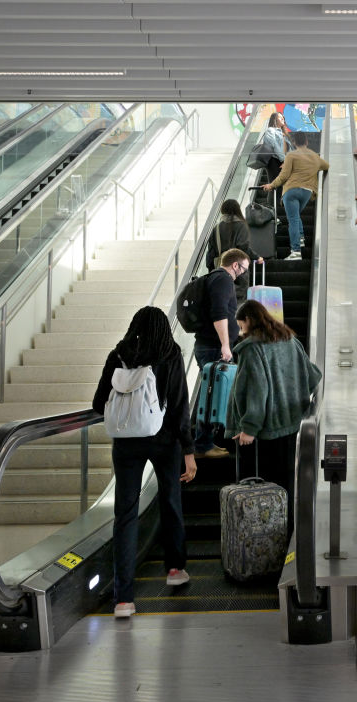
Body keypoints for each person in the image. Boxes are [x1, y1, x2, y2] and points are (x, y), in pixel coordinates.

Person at [91, 306, 197, 619]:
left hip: (125, 443)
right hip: (165, 441)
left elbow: (99, 403)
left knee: (125, 515)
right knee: (170, 501)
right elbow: (179, 405)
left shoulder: (119, 354)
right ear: (164, 328)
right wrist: (189, 451)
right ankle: (175, 568)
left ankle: (123, 599)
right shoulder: (170, 353)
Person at [225, 299, 322, 535]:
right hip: (291, 425)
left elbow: (258, 390)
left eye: (240, 326)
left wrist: (249, 427)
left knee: (262, 487)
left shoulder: (252, 349)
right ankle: (290, 531)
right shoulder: (290, 341)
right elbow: (313, 376)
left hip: (264, 432)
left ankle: (265, 537)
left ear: (249, 320)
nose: (240, 332)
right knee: (287, 482)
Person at [193, 248, 250, 458]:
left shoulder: (213, 278)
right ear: (235, 265)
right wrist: (225, 345)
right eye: (243, 268)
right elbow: (219, 313)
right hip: (214, 347)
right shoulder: (223, 280)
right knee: (211, 394)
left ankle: (206, 442)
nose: (243, 273)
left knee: (213, 392)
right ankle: (203, 444)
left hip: (209, 345)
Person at [262, 131, 330, 260]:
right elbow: (326, 166)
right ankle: (301, 238)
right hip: (307, 191)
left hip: (292, 191)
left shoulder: (291, 155)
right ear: (306, 142)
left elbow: (284, 176)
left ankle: (296, 251)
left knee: (292, 219)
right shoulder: (315, 156)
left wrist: (271, 185)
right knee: (296, 215)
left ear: (293, 143)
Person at [204, 199, 263, 303]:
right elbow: (243, 248)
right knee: (238, 299)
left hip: (221, 269)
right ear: (237, 210)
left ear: (223, 210)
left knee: (222, 299)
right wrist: (257, 257)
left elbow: (211, 254)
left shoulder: (217, 228)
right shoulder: (242, 225)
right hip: (238, 269)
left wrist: (212, 271)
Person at [260, 111, 290, 183]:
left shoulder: (283, 134)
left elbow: (288, 149)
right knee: (275, 186)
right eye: (280, 117)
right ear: (274, 119)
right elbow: (274, 146)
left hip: (283, 162)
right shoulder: (270, 130)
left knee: (283, 186)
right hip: (275, 161)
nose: (283, 119)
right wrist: (284, 160)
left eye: (283, 117)